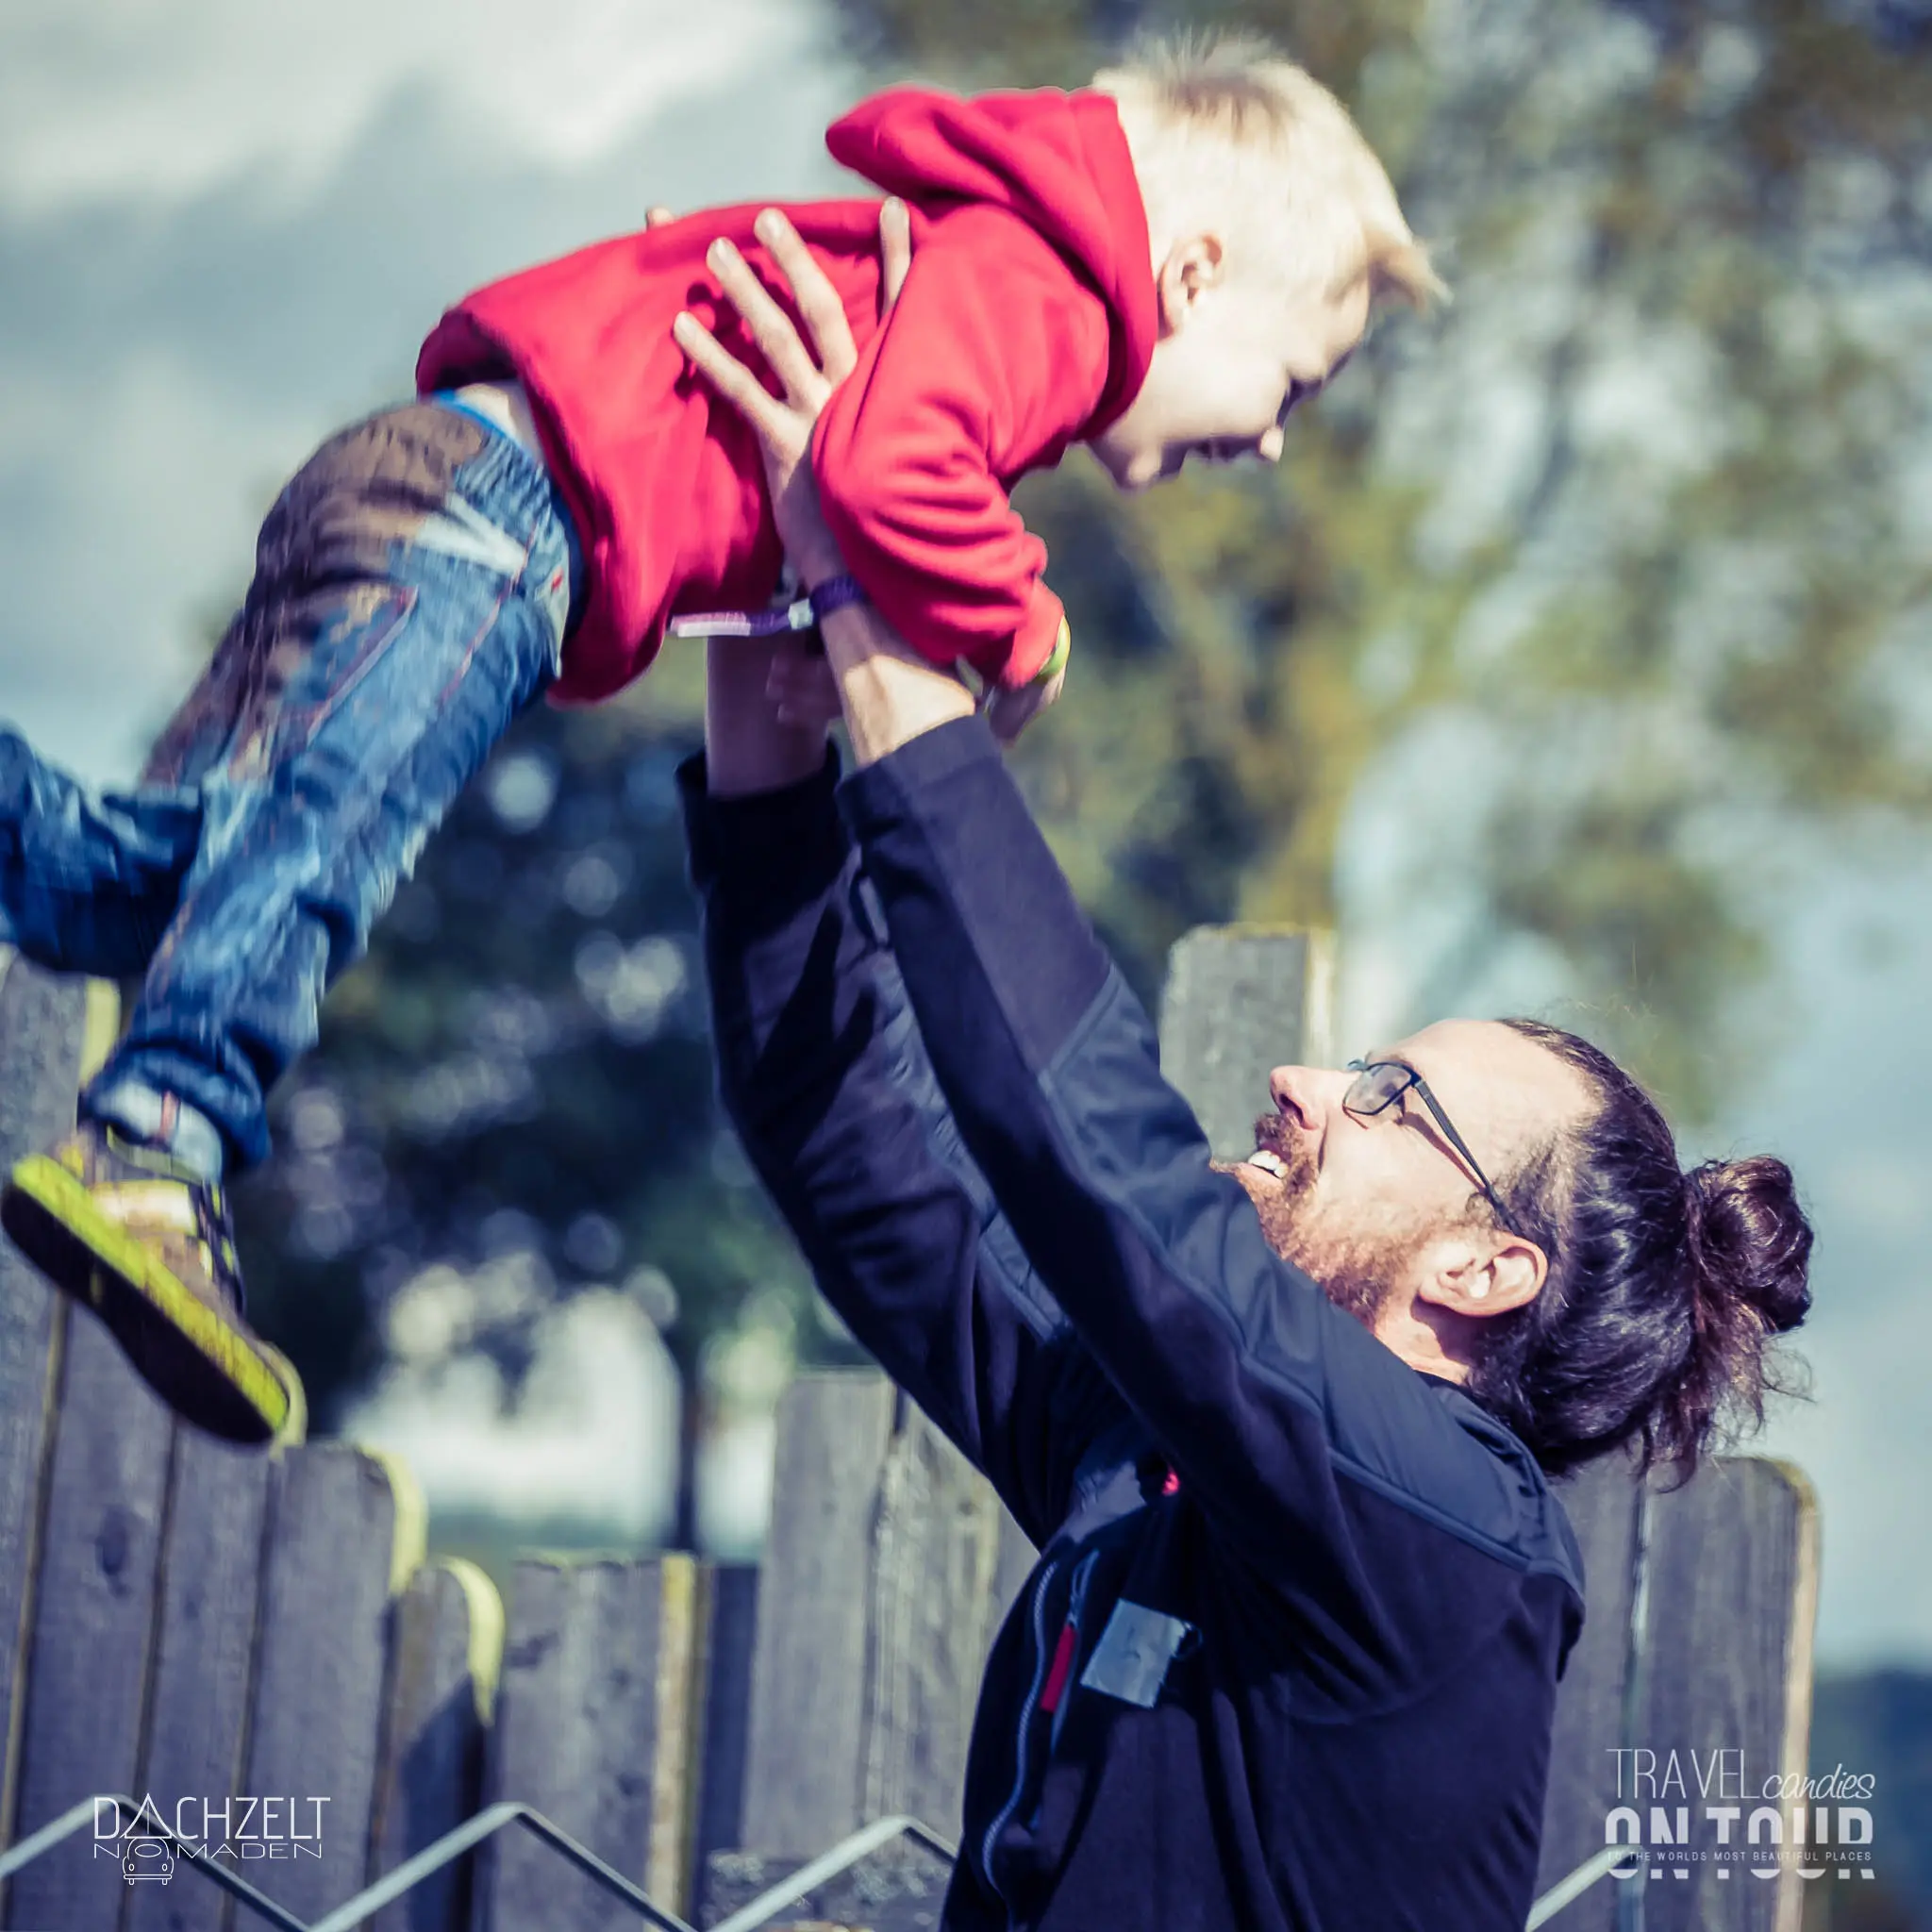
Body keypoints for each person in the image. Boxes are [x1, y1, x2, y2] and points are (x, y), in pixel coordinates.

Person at [0, 36, 1439, 1445]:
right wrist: (1019, 622)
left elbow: (825, 475)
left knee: (153, 889)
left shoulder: (969, 269)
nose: (1270, 444)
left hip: (443, 486)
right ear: (1187, 277)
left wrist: (800, 623)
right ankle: (154, 1149)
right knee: (321, 860)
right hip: (493, 524)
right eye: (1293, 387)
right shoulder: (1054, 297)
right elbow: (883, 470)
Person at [675, 212, 1814, 1927]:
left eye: (1388, 1102)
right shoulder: (1146, 1455)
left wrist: (868, 575)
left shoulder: (1448, 1540)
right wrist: (775, 708)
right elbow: (852, 1147)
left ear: (1486, 1268)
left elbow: (1100, 1175)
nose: (1302, 1086)